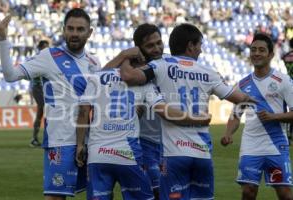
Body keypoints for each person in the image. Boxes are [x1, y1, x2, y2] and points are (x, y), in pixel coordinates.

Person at [119, 23, 255, 199]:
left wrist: (124, 58)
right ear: (190, 46)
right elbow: (241, 98)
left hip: (174, 152)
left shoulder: (161, 65)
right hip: (201, 153)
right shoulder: (208, 71)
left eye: (159, 43)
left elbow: (128, 77)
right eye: (199, 46)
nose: (201, 51)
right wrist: (262, 100)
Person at [0, 8, 101, 200]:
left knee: (99, 196)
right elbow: (10, 75)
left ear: (90, 32)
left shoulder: (94, 62)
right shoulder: (49, 56)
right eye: (70, 28)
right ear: (63, 30)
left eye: (80, 29)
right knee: (54, 197)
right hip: (60, 141)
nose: (74, 33)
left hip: (90, 141)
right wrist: (2, 38)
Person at [75, 69, 211, 200]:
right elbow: (165, 112)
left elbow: (83, 111)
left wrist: (80, 144)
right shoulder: (144, 83)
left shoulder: (98, 76)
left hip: (97, 155)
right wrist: (198, 118)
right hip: (127, 155)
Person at [221, 33, 293, 200]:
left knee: (285, 195)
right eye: (253, 50)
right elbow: (235, 115)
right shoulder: (243, 84)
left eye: (261, 50)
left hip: (276, 143)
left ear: (270, 54)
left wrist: (274, 117)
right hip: (251, 145)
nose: (256, 53)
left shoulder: (283, 81)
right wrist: (228, 133)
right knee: (248, 192)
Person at [105, 23, 164, 199]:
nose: (157, 48)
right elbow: (99, 78)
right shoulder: (130, 68)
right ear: (139, 49)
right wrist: (123, 56)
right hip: (140, 142)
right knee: (152, 192)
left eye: (159, 43)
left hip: (164, 143)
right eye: (150, 45)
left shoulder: (168, 63)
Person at [29, 40, 49, 147]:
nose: (47, 49)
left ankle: (35, 138)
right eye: (45, 47)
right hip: (37, 87)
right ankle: (35, 138)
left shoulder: (48, 58)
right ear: (40, 48)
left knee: (42, 112)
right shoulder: (36, 58)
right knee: (43, 108)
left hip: (45, 87)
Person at [282, 38, 293, 143]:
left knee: (287, 112)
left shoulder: (286, 56)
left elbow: (282, 58)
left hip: (288, 83)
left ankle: (288, 136)